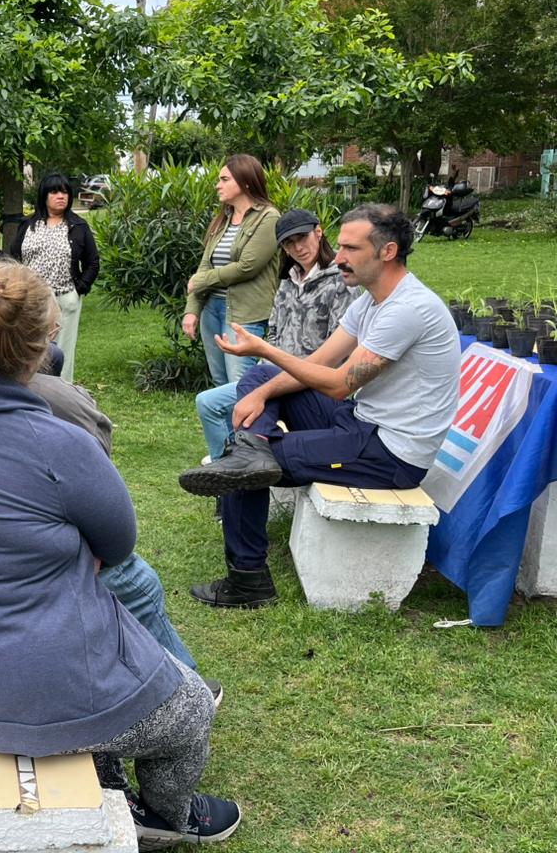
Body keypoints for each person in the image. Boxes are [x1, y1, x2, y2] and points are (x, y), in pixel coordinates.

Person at [0, 261, 241, 848]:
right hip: (15, 684)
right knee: (191, 708)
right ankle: (170, 817)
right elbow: (117, 545)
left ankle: (108, 776)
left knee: (107, 670)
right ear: (42, 347)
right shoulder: (56, 441)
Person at [179, 204, 460, 608]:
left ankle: (248, 583)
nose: (339, 257)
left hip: (390, 453)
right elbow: (318, 362)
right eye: (340, 246)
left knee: (241, 469)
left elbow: (339, 384)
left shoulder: (408, 310)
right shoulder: (371, 301)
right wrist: (262, 390)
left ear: (388, 251)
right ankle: (251, 448)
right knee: (260, 384)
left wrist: (264, 350)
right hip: (360, 423)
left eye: (351, 248)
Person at [26, 366, 220, 701]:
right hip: (17, 565)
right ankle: (182, 690)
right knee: (132, 578)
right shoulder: (48, 396)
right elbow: (116, 538)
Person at [194, 209, 357, 461]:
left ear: (318, 232)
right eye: (289, 243)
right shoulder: (287, 281)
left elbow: (336, 358)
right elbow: (275, 335)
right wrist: (263, 370)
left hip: (315, 385)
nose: (297, 247)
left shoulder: (341, 282)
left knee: (253, 399)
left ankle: (246, 461)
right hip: (275, 373)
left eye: (302, 237)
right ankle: (227, 463)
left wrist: (269, 380)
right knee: (208, 402)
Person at [182, 156, 282, 389]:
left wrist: (200, 280)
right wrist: (192, 310)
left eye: (224, 179)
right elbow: (206, 264)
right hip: (212, 310)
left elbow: (247, 266)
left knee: (240, 385)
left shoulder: (268, 217)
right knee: (220, 384)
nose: (218, 185)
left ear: (245, 181)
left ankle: (247, 417)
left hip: (244, 314)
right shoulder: (223, 220)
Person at [9, 172, 99, 383]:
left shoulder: (77, 226)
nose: (61, 196)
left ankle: (62, 391)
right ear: (44, 195)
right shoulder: (28, 225)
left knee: (63, 352)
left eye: (65, 192)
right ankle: (31, 389)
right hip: (33, 301)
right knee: (31, 349)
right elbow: (14, 257)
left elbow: (93, 262)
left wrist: (78, 289)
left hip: (65, 299)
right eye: (55, 192)